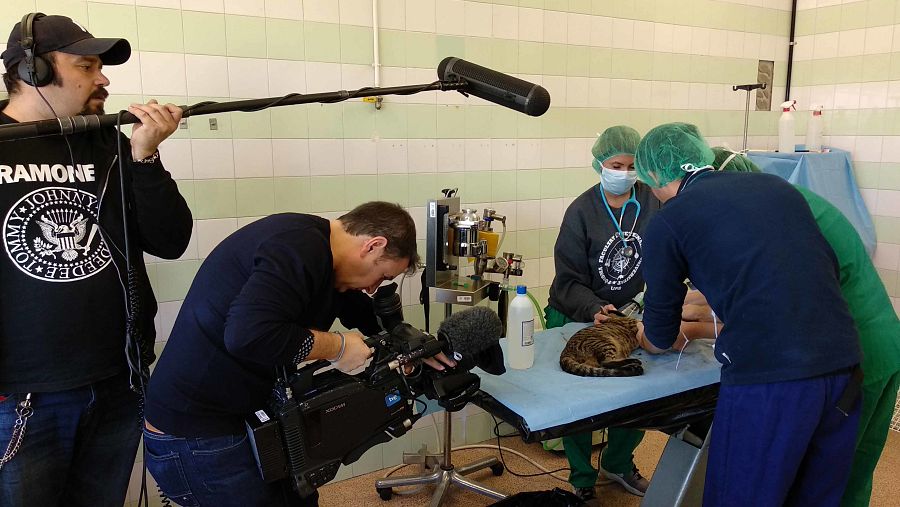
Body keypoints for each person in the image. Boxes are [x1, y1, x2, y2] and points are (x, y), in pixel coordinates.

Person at [143, 202, 455, 506]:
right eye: (383, 276)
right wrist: (338, 348)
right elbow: (247, 335)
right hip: (198, 432)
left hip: (245, 415)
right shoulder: (297, 248)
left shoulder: (329, 260)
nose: (374, 288)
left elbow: (363, 313)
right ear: (373, 246)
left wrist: (412, 344)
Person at [0, 13, 192, 506]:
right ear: (33, 70)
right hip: (21, 393)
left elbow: (170, 240)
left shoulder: (106, 141)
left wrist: (144, 156)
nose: (103, 79)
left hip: (118, 377)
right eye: (86, 66)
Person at [633, 123, 862, 506]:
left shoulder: (669, 220)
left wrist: (643, 335)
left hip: (773, 383)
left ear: (653, 175)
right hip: (843, 370)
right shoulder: (776, 188)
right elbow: (813, 274)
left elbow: (660, 335)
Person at [716, 149, 900, 507]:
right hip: (884, 341)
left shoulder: (772, 218)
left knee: (825, 478)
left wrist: (693, 326)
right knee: (853, 472)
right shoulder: (790, 199)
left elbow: (773, 307)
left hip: (853, 355)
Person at [544, 125, 659, 502]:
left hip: (628, 318)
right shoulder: (581, 211)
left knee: (637, 390)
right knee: (580, 400)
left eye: (631, 166)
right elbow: (567, 280)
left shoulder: (653, 201)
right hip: (577, 313)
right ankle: (581, 478)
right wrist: (594, 307)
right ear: (600, 165)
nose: (624, 173)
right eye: (616, 165)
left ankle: (618, 463)